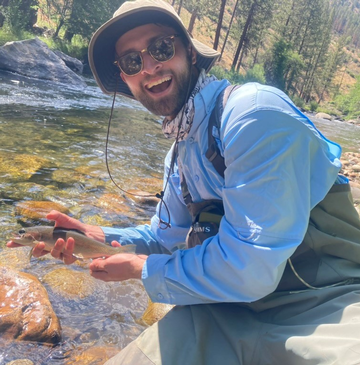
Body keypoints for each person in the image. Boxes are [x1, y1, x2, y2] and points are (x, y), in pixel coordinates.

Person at [8, 0, 360, 364]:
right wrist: (96, 236)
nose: (149, 66)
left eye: (161, 47)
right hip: (227, 309)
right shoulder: (178, 155)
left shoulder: (253, 114)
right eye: (131, 62)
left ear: (189, 52)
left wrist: (139, 269)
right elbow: (165, 239)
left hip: (328, 303)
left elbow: (251, 268)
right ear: (125, 79)